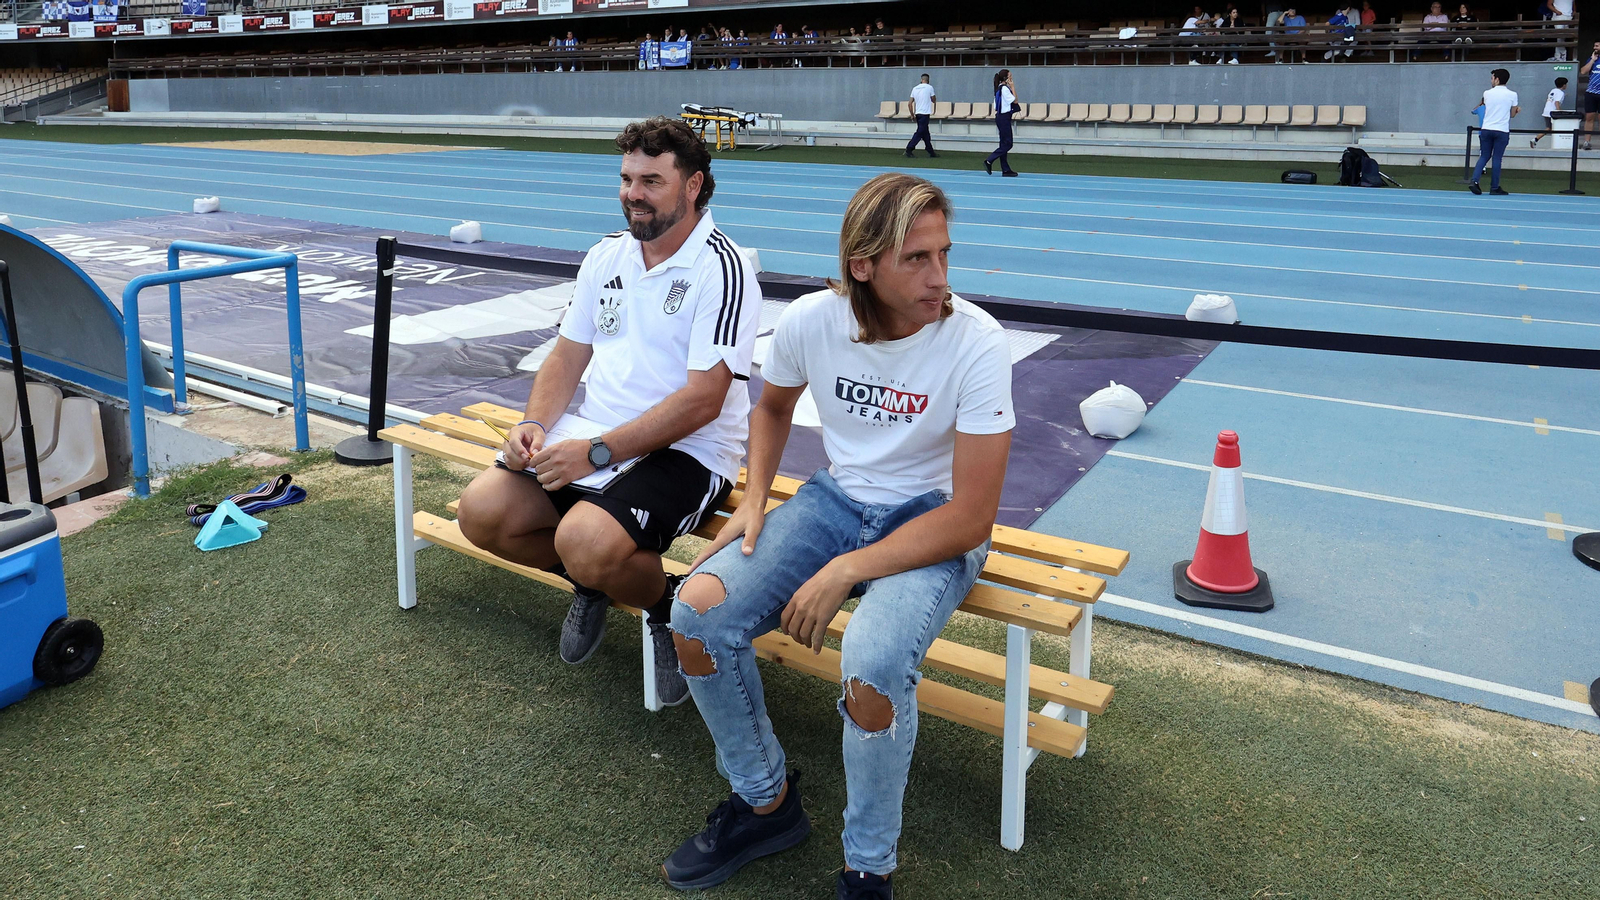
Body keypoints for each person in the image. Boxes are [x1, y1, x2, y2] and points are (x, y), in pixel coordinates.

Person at [662, 171, 1015, 898]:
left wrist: (846, 568)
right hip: (834, 500)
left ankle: (867, 868)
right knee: (695, 613)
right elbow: (770, 410)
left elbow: (971, 517)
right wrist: (755, 499)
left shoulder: (976, 342)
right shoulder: (810, 321)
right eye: (917, 259)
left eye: (944, 254)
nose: (939, 277)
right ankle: (765, 803)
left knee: (873, 662)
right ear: (864, 264)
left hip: (933, 519)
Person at [455, 118, 761, 708]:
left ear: (693, 186)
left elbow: (705, 399)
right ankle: (592, 582)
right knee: (482, 513)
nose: (633, 193)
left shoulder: (723, 268)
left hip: (691, 450)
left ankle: (665, 606)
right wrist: (537, 425)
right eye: (626, 179)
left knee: (586, 540)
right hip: (595, 438)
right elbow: (568, 354)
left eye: (651, 180)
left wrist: (596, 452)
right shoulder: (607, 257)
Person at [1468, 68, 1520, 195]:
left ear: (1497, 79)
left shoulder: (1487, 93)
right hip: (1501, 130)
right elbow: (1512, 115)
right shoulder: (1513, 95)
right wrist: (1517, 110)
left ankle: (1475, 181)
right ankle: (1494, 187)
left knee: (1484, 155)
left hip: (1486, 128)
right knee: (1497, 158)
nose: (1491, 80)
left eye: (1492, 78)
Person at [985, 68, 1019, 177]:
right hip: (1004, 117)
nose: (1011, 78)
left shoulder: (999, 88)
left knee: (1003, 143)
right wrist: (1013, 87)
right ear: (1006, 78)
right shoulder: (1004, 89)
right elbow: (1015, 100)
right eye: (1010, 76)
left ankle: (1005, 169)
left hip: (1000, 117)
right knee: (1008, 144)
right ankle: (989, 160)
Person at [905, 73, 937, 158]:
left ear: (921, 79)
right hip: (925, 113)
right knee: (920, 132)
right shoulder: (930, 87)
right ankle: (909, 148)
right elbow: (933, 99)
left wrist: (912, 114)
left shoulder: (915, 88)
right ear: (928, 80)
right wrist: (932, 99)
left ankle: (930, 150)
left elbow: (909, 103)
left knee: (925, 132)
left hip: (918, 113)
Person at [1532, 76, 1568, 147]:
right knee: (1554, 128)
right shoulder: (1561, 93)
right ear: (1564, 85)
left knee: (1549, 128)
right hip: (1552, 113)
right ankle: (1559, 143)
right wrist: (1559, 111)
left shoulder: (1553, 90)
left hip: (1546, 111)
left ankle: (1535, 139)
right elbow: (1556, 102)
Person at [1583, 41, 1600, 150]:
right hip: (1591, 93)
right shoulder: (1592, 59)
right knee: (1589, 117)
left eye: (1597, 46)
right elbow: (1583, 71)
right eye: (1594, 46)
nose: (1595, 47)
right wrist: (1592, 60)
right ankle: (1587, 142)